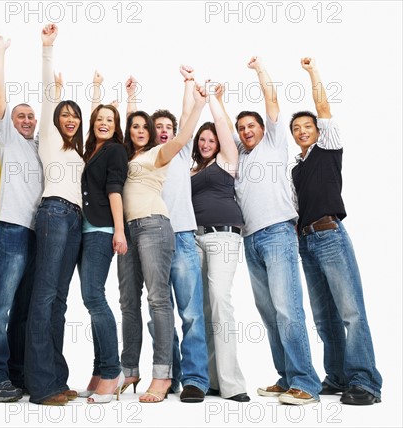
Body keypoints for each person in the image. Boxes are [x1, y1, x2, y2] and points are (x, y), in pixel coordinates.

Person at [229, 56, 321, 405]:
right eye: (243, 129)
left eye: (252, 126)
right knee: (269, 313)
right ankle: (286, 377)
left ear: (263, 129)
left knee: (287, 308)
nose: (247, 131)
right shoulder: (240, 155)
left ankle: (306, 383)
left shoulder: (274, 142)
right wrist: (216, 100)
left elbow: (272, 100)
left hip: (278, 233)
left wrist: (259, 71)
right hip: (250, 240)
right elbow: (224, 133)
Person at [290, 57, 382, 406]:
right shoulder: (296, 167)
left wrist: (312, 72)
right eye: (296, 128)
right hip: (306, 241)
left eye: (306, 126)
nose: (301, 131)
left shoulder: (327, 149)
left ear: (317, 130)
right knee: (324, 314)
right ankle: (338, 376)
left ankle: (366, 382)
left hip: (329, 235)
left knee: (350, 311)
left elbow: (323, 106)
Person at [118, 82, 207, 404]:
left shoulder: (161, 152)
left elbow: (183, 135)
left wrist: (196, 104)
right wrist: (130, 99)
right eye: (138, 127)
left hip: (155, 226)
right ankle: (129, 369)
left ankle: (164, 374)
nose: (142, 131)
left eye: (149, 128)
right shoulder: (128, 154)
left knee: (159, 301)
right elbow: (132, 126)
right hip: (126, 231)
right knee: (128, 302)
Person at [0, 32, 43, 403]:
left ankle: (17, 373)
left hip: (40, 234)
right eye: (21, 115)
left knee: (24, 308)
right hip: (13, 229)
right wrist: (0, 52)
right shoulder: (9, 138)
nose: (26, 120)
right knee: (0, 303)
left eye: (30, 116)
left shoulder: (40, 144)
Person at [24, 23, 84, 406]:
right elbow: (49, 94)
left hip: (76, 219)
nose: (69, 118)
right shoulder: (47, 138)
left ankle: (57, 379)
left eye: (74, 115)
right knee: (44, 296)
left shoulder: (76, 151)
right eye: (63, 114)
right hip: (53, 214)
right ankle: (40, 385)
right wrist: (47, 49)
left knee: (60, 300)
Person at [190, 84, 249, 402]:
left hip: (224, 236)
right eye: (203, 139)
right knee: (204, 307)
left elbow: (224, 128)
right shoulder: (191, 168)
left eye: (212, 138)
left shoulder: (227, 160)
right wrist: (188, 90)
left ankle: (233, 384)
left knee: (220, 302)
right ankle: (211, 379)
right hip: (196, 238)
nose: (207, 142)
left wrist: (212, 97)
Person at [78, 101, 128, 404]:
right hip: (83, 230)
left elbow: (114, 190)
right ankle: (99, 372)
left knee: (94, 296)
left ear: (115, 125)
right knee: (89, 298)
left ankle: (112, 371)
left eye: (110, 119)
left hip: (101, 229)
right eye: (99, 118)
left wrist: (119, 230)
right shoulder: (89, 152)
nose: (103, 123)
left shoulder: (115, 150)